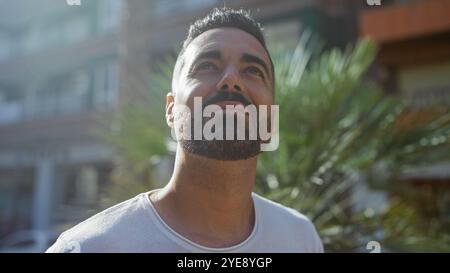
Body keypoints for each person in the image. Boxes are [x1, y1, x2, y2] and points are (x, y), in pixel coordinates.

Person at [46, 7, 323, 253]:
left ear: (270, 116)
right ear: (170, 109)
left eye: (252, 71)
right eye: (207, 66)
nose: (230, 80)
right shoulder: (89, 248)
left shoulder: (300, 238)